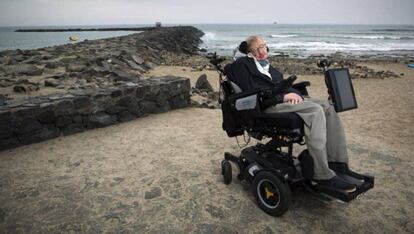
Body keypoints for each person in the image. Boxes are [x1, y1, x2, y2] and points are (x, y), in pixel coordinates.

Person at [227, 35, 356, 193]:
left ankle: (337, 162)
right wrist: (283, 97)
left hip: (280, 100)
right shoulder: (241, 66)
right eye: (257, 49)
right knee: (315, 111)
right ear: (249, 52)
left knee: (328, 106)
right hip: (266, 105)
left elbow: (280, 85)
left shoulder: (268, 67)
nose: (262, 51)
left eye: (264, 46)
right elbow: (251, 91)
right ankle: (321, 174)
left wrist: (297, 95)